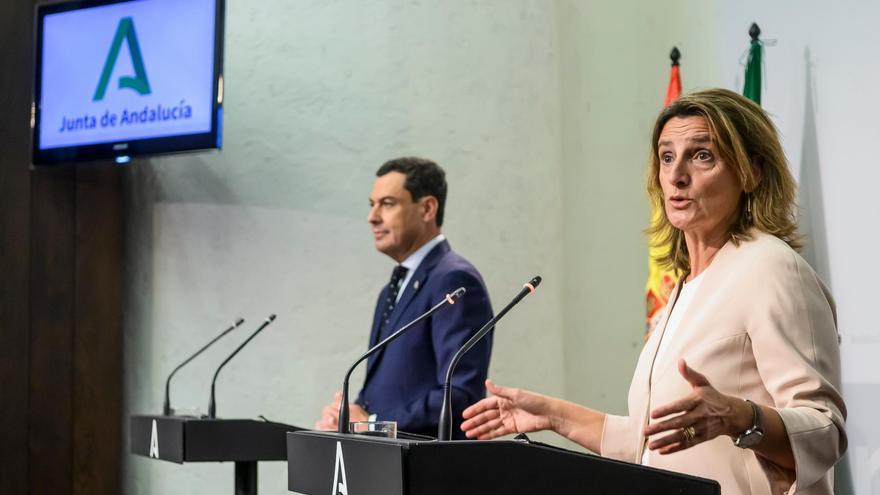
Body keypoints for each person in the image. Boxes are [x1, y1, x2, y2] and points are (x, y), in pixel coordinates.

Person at [461, 89, 846, 495]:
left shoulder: (771, 267)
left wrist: (739, 416)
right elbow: (652, 444)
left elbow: (825, 429)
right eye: (666, 157)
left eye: (701, 155)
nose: (677, 175)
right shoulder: (685, 285)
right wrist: (552, 415)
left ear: (751, 172)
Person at [315, 157, 494, 438]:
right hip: (387, 466)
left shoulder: (454, 279)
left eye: (387, 204)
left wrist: (373, 423)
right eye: (372, 204)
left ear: (427, 208)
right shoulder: (392, 289)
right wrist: (348, 415)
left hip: (430, 469)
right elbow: (392, 389)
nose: (372, 216)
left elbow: (460, 395)